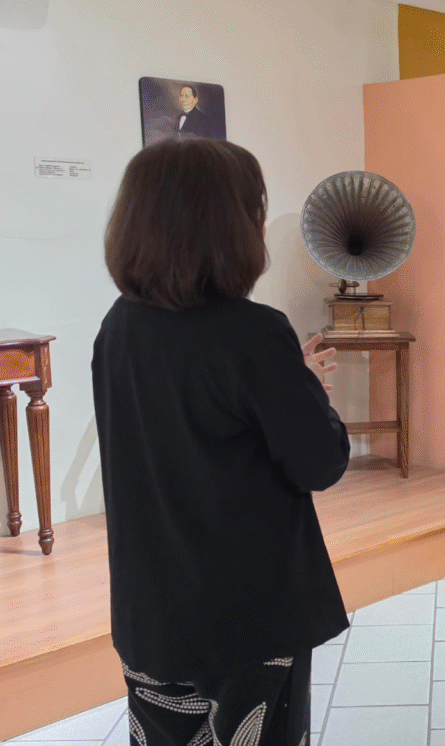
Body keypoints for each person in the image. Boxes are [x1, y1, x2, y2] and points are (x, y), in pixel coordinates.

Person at [92, 138, 350, 746]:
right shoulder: (254, 333)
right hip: (246, 614)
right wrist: (306, 390)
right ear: (230, 226)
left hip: (151, 607)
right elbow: (320, 462)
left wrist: (286, 381)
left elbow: (179, 424)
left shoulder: (119, 325)